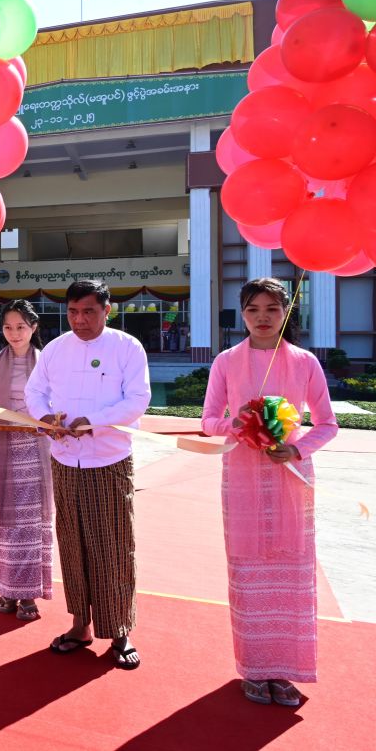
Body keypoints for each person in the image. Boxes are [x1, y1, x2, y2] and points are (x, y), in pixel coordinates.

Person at [202, 278, 337, 707]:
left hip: (291, 478)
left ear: (286, 313)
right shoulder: (225, 361)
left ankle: (288, 670)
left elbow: (327, 423)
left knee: (292, 573)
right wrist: (239, 424)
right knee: (248, 572)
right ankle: (255, 671)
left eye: (272, 309)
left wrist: (296, 448)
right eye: (253, 309)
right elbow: (208, 420)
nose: (262, 317)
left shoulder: (305, 363)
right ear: (242, 314)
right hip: (241, 476)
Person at [25, 280, 151, 669]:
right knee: (73, 544)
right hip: (64, 460)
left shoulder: (127, 348)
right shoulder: (55, 349)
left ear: (107, 310)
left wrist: (93, 421)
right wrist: (45, 417)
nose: (80, 321)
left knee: (112, 547)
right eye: (73, 312)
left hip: (108, 462)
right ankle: (80, 625)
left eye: (89, 312)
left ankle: (119, 629)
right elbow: (35, 392)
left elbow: (137, 399)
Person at [0, 300, 54, 622]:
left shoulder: (47, 361)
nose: (14, 333)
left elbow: (54, 405)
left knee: (28, 524)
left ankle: (28, 593)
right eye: (7, 327)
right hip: (0, 448)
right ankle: (6, 589)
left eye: (20, 327)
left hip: (33, 447)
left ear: (34, 328)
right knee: (3, 523)